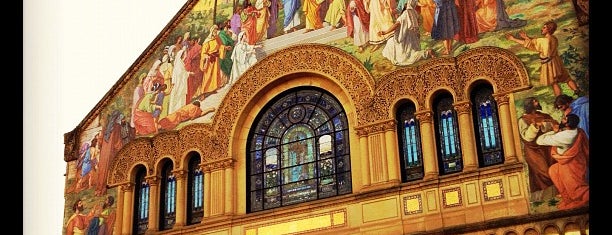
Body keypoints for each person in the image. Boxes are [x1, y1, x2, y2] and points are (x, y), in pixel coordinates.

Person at [505, 21, 580, 96]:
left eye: (544, 28)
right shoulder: (554, 38)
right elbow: (535, 41)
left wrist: (513, 39)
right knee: (566, 78)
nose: (542, 29)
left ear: (549, 29)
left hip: (549, 64)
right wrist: (527, 38)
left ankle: (559, 98)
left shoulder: (544, 40)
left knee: (554, 83)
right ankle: (576, 90)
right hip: (557, 62)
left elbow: (530, 43)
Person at [536, 114, 589, 210]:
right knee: (553, 170)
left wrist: (553, 131)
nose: (562, 119)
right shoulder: (575, 131)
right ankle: (567, 197)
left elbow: (539, 141)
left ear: (567, 124)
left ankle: (579, 198)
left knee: (577, 188)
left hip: (571, 164)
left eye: (564, 119)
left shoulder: (564, 136)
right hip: (575, 161)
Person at [517, 97, 558, 202]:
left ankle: (557, 195)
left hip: (548, 147)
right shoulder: (522, 120)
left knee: (554, 168)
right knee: (542, 172)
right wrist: (535, 126)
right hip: (533, 150)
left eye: (536, 101)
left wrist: (547, 125)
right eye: (534, 101)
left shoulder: (544, 115)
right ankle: (545, 198)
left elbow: (554, 124)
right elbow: (526, 136)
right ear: (529, 104)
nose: (537, 102)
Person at [377, 0, 434, 66]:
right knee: (391, 43)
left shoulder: (405, 14)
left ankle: (427, 53)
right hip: (413, 41)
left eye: (406, 4)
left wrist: (385, 32)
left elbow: (396, 25)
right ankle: (424, 53)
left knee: (400, 55)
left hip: (404, 41)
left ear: (408, 5)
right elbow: (417, 25)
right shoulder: (414, 12)